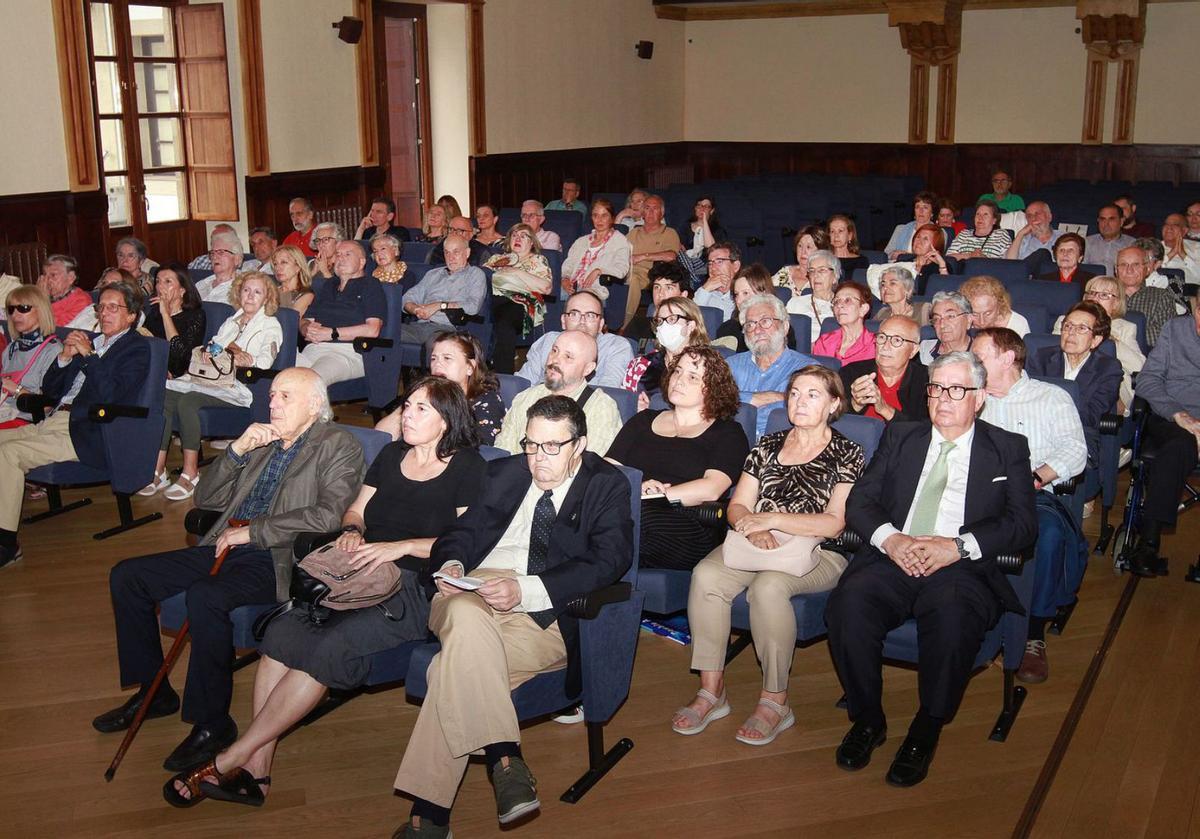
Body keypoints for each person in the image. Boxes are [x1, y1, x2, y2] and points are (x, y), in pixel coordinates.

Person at [166, 378, 484, 809]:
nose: (406, 414)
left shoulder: (467, 467)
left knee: (326, 648)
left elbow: (469, 545)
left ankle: (234, 756)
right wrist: (352, 530)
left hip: (411, 585)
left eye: (420, 409)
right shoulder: (392, 455)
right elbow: (355, 509)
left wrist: (403, 546)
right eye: (406, 405)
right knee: (280, 635)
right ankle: (258, 771)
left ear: (447, 421)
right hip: (352, 569)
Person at [392, 395, 633, 837]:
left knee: (453, 668)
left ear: (578, 445)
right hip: (471, 589)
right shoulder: (503, 472)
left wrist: (526, 589)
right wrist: (452, 565)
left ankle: (431, 818)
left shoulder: (605, 484)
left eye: (551, 447)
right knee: (464, 616)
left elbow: (610, 559)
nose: (537, 458)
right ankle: (505, 756)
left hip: (543, 609)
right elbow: (461, 532)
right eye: (530, 444)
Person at [95, 369, 361, 769]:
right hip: (225, 544)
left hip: (278, 557)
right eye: (272, 395)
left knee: (207, 595)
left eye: (285, 397)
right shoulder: (263, 439)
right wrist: (237, 450)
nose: (273, 403)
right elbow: (206, 496)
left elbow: (327, 515)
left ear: (314, 405)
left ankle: (212, 722)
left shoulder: (338, 444)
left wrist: (254, 532)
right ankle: (154, 692)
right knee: (128, 576)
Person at [825, 351, 1037, 787]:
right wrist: (892, 539)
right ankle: (868, 719)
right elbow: (861, 501)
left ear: (978, 398)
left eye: (956, 389)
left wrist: (958, 547)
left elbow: (1022, 524)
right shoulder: (902, 436)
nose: (943, 398)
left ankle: (927, 726)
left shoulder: (1007, 448)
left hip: (960, 566)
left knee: (953, 614)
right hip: (895, 555)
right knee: (848, 603)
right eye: (936, 387)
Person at [674, 365, 863, 744]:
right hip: (755, 542)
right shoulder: (767, 445)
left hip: (819, 552)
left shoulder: (847, 451)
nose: (800, 401)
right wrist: (756, 526)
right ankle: (712, 692)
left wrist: (776, 519)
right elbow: (737, 506)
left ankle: (775, 702)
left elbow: (834, 523)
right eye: (794, 393)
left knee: (768, 589)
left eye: (812, 394)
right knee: (706, 576)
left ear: (834, 403)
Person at [0, 285, 149, 567]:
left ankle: (7, 544)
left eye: (113, 307)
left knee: (9, 454)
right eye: (101, 307)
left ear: (131, 316)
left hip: (86, 429)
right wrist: (66, 357)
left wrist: (90, 357)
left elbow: (111, 393)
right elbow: (51, 391)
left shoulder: (136, 349)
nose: (104, 313)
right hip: (54, 420)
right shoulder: (93, 341)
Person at [972, 328, 1087, 685]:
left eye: (980, 357)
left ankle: (1033, 631)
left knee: (1048, 535)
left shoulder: (1051, 398)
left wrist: (1036, 476)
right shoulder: (969, 396)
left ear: (1008, 358)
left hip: (1029, 492)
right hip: (972, 492)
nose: (972, 363)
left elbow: (1074, 450)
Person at [144, 272, 284, 501]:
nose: (250, 296)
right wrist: (211, 352)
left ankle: (191, 473)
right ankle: (158, 471)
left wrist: (234, 355)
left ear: (267, 297)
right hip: (213, 379)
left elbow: (262, 364)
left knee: (188, 402)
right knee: (166, 394)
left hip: (241, 386)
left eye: (257, 292)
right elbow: (215, 346)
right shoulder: (233, 319)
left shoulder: (271, 326)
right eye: (246, 290)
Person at [608, 346, 748, 569]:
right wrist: (637, 489)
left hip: (688, 522)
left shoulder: (728, 432)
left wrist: (652, 496)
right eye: (677, 372)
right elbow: (609, 468)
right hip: (629, 508)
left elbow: (712, 488)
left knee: (627, 521)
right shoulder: (643, 420)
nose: (679, 380)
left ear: (712, 388)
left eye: (692, 377)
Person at [1126, 301, 1200, 577]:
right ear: (1194, 307)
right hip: (1172, 415)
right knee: (1178, 445)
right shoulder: (1175, 329)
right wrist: (1177, 414)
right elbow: (1147, 380)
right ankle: (1149, 543)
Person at [496, 331, 622, 456]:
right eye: (554, 351)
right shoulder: (526, 398)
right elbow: (502, 454)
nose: (555, 360)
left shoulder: (601, 408)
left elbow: (591, 468)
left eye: (568, 357)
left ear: (588, 369)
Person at [1026, 301, 1122, 464]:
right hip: (1035, 432)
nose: (1071, 333)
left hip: (1079, 437)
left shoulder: (1108, 369)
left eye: (1081, 329)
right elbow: (1027, 402)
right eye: (1068, 326)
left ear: (1095, 340)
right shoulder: (1041, 358)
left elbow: (1092, 416)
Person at [378, 331, 504, 446]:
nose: (437, 364)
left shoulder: (486, 401)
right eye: (433, 358)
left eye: (447, 358)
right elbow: (380, 438)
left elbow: (482, 449)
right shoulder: (426, 396)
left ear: (470, 367)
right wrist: (412, 402)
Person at [297, 240, 385, 385]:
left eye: (347, 254)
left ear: (362, 262)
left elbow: (373, 329)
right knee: (284, 376)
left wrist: (332, 333)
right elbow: (305, 319)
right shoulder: (328, 285)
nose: (341, 258)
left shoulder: (371, 285)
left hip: (348, 351)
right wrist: (306, 329)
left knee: (309, 381)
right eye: (338, 255)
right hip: (315, 348)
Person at [729, 294, 817, 437]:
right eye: (750, 324)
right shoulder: (730, 365)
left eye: (765, 321)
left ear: (785, 326)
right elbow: (707, 399)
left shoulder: (807, 371)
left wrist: (737, 398)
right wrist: (765, 397)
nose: (757, 330)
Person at [1054, 276, 1144, 412]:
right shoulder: (1065, 321)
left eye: (1104, 295)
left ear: (1116, 304)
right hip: (1069, 379)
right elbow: (1053, 354)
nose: (1095, 298)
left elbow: (1140, 366)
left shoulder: (1125, 328)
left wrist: (1112, 341)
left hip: (1107, 389)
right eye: (1091, 292)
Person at [516, 289, 634, 389]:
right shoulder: (548, 341)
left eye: (590, 315)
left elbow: (608, 391)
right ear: (563, 321)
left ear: (601, 324)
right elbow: (522, 383)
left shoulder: (615, 346)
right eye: (574, 314)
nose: (582, 322)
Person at [486, 223, 553, 374]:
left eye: (523, 236)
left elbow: (546, 287)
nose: (518, 238)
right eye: (514, 235)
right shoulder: (497, 259)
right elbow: (479, 278)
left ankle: (503, 377)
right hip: (491, 300)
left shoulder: (538, 260)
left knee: (504, 321)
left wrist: (516, 272)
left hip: (519, 304)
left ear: (531, 242)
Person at [401, 235, 486, 349]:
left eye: (456, 252)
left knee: (436, 344)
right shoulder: (433, 274)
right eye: (447, 253)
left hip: (447, 329)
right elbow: (407, 298)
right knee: (389, 333)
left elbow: (473, 306)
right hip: (419, 325)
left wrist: (440, 306)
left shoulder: (475, 274)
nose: (450, 258)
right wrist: (415, 309)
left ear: (467, 253)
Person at [840, 316, 928, 423]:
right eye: (882, 337)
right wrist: (856, 404)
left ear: (913, 350)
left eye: (896, 340)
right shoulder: (852, 372)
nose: (885, 346)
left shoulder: (927, 381)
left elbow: (923, 431)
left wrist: (885, 410)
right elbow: (833, 420)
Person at [623, 296, 710, 397]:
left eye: (672, 319)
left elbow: (712, 406)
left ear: (690, 326)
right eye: (660, 321)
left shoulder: (707, 366)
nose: (664, 326)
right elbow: (627, 404)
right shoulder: (640, 365)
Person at [0, 286, 60, 429]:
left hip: (25, 422)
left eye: (23, 308)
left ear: (41, 310)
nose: (15, 315)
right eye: (11, 309)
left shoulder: (53, 350)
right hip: (5, 414)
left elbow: (46, 406)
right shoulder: (11, 349)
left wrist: (16, 389)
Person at [626, 195, 683, 327]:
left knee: (632, 279)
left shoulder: (669, 232)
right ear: (642, 213)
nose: (651, 212)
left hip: (650, 274)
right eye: (647, 208)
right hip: (628, 270)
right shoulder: (634, 232)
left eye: (655, 208)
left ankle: (624, 325)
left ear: (661, 213)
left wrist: (643, 256)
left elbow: (671, 256)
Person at [143, 262, 206, 379]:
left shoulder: (195, 316)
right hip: (150, 369)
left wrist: (166, 314)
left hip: (176, 377)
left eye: (168, 281)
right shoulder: (154, 312)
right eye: (158, 281)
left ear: (182, 289)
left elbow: (180, 363)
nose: (160, 286)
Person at [716, 263, 796, 353]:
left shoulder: (779, 327)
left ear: (763, 293)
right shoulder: (726, 329)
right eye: (736, 294)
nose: (739, 300)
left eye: (745, 293)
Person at [561, 199, 631, 299]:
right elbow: (569, 264)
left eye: (604, 215)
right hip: (572, 286)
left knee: (581, 297)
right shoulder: (581, 241)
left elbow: (621, 269)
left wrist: (599, 270)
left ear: (612, 219)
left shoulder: (619, 241)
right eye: (595, 215)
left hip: (595, 288)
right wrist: (565, 279)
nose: (599, 220)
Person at [1116, 245, 1177, 346]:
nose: (1129, 270)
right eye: (1123, 264)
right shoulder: (1103, 295)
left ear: (1147, 269)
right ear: (1116, 270)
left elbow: (1165, 336)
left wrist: (1118, 336)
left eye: (1136, 265)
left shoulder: (1161, 297)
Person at [869, 224, 949, 298]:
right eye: (918, 237)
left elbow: (944, 293)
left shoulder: (941, 266)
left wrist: (921, 269)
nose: (919, 241)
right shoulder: (903, 260)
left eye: (925, 239)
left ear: (936, 245)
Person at [625, 260, 693, 344]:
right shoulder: (638, 325)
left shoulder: (690, 328)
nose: (660, 293)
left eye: (669, 288)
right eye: (657, 287)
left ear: (683, 295)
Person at [812, 281, 875, 364]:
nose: (839, 305)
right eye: (836, 301)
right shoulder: (824, 342)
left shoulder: (875, 345)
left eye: (848, 300)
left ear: (863, 309)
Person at [786, 249, 840, 345]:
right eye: (812, 271)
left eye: (822, 270)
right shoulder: (795, 303)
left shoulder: (842, 305)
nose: (816, 275)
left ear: (835, 276)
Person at [66, 267, 143, 331]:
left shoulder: (132, 312)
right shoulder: (92, 308)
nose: (106, 287)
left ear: (127, 288)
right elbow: (66, 330)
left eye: (114, 284)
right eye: (104, 283)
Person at [960, 275, 1031, 336]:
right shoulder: (959, 319)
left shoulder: (1017, 324)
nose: (982, 322)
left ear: (1000, 306)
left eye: (988, 313)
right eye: (974, 314)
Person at [677, 195, 727, 278]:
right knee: (679, 255)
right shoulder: (685, 226)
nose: (702, 208)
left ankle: (692, 276)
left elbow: (711, 248)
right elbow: (679, 246)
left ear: (712, 211)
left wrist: (704, 221)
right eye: (699, 205)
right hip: (687, 261)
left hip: (706, 264)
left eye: (706, 207)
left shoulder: (717, 230)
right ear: (695, 208)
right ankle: (693, 276)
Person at [918, 291, 973, 365]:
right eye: (936, 319)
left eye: (950, 316)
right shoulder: (924, 349)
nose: (942, 325)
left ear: (969, 320)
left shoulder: (980, 353)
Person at [772, 224, 829, 294]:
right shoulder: (785, 272)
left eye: (808, 247)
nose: (803, 251)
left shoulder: (825, 278)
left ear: (820, 251)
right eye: (800, 246)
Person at [946, 200, 1013, 260]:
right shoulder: (964, 233)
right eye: (978, 214)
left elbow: (1009, 262)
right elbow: (948, 257)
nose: (980, 218)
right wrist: (970, 255)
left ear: (994, 220)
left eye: (985, 214)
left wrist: (984, 259)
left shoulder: (1001, 234)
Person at [37, 254, 91, 326]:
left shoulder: (81, 300)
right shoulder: (41, 296)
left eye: (53, 275)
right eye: (44, 275)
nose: (47, 280)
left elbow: (57, 329)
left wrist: (43, 301)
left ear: (70, 278)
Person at [196, 230, 248, 304]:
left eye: (221, 252)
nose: (214, 257)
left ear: (237, 259)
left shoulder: (243, 287)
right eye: (213, 253)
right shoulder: (202, 284)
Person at [694, 241, 740, 320]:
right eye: (710, 263)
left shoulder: (744, 293)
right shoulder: (704, 293)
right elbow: (690, 316)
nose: (713, 268)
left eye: (719, 262)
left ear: (735, 266)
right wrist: (705, 289)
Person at [1085, 204, 1136, 275]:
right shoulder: (1086, 242)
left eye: (1111, 219)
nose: (1106, 224)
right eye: (1102, 219)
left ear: (1121, 221)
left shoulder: (1132, 244)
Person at [884, 191, 938, 258]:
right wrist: (893, 254)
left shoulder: (938, 232)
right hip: (898, 265)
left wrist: (907, 256)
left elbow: (936, 256)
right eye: (917, 207)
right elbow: (886, 253)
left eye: (925, 207)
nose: (921, 211)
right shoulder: (900, 229)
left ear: (932, 213)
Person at [271, 244, 315, 320]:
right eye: (275, 264)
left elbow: (289, 322)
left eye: (284, 262)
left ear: (298, 267)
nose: (278, 268)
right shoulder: (271, 291)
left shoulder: (306, 295)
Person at [1162, 213, 1199, 286]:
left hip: (1192, 292)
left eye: (1175, 225)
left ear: (1184, 231)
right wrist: (1170, 255)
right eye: (1166, 224)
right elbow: (1148, 272)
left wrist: (1184, 255)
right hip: (1159, 291)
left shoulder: (1197, 247)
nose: (1169, 228)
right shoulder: (1153, 247)